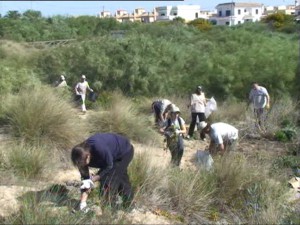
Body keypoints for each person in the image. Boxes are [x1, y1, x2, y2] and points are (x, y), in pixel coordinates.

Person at [71, 133, 134, 212]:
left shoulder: (99, 148)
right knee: (121, 179)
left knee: (108, 181)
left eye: (84, 164)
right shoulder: (80, 157)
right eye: (80, 165)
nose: (82, 166)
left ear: (88, 156)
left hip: (124, 152)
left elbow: (109, 166)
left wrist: (95, 178)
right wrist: (83, 203)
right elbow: (86, 181)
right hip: (112, 155)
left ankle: (110, 212)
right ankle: (129, 205)